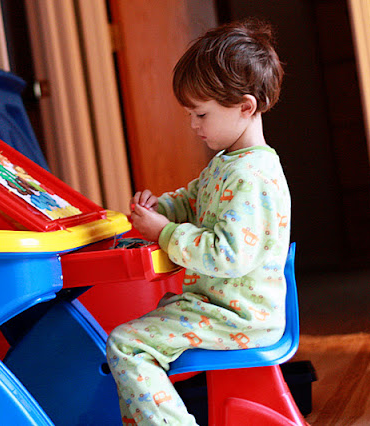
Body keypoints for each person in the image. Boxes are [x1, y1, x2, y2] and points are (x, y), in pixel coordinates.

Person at [106, 18, 290, 425]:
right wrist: (161, 209)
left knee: (127, 344)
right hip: (220, 307)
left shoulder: (251, 177)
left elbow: (228, 255)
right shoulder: (227, 164)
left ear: (245, 107)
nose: (193, 125)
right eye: (190, 113)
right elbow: (193, 200)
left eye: (201, 114)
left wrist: (165, 233)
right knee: (142, 329)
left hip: (239, 317)